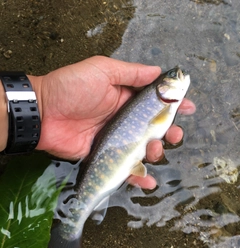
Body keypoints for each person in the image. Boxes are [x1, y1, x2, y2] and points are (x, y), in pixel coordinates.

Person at [0, 56, 195, 189]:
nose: (177, 75)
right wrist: (41, 101)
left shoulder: (161, 102)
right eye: (171, 77)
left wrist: (41, 103)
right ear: (159, 87)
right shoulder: (161, 103)